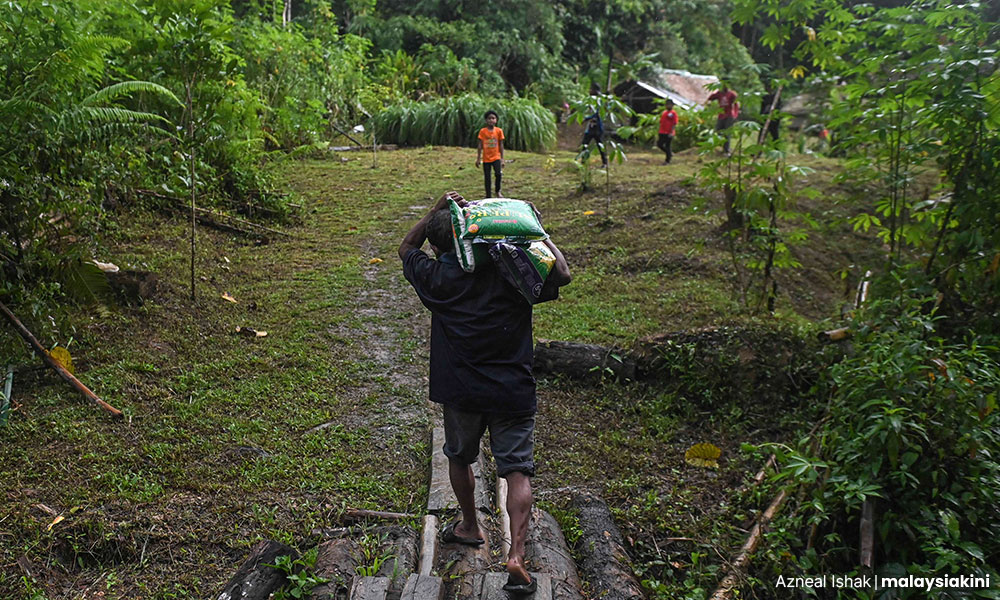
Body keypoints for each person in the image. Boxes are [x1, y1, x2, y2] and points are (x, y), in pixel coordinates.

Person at [399, 191, 571, 596]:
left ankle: (470, 526)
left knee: (459, 457)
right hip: (512, 387)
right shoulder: (513, 270)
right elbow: (562, 272)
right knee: (517, 469)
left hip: (460, 390)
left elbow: (407, 246)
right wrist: (535, 232)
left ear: (442, 246)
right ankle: (517, 555)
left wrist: (436, 210)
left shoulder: (436, 277)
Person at [476, 110, 504, 198]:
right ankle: (488, 195)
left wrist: (502, 158)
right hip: (486, 158)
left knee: (498, 174)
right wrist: (478, 158)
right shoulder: (482, 131)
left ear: (496, 120)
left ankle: (497, 191)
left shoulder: (499, 131)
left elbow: (501, 145)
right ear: (486, 120)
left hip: (496, 157)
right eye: (489, 118)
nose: (491, 120)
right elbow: (480, 145)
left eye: (493, 118)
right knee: (487, 177)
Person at [707, 84, 739, 154]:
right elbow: (710, 98)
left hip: (729, 115)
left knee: (727, 133)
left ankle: (726, 150)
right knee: (718, 131)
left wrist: (736, 114)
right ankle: (719, 147)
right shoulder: (719, 94)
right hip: (721, 115)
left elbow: (736, 103)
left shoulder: (732, 94)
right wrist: (709, 103)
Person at [657, 99, 678, 164]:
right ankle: (669, 153)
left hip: (669, 132)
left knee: (667, 146)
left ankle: (667, 160)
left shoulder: (673, 113)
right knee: (659, 144)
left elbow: (674, 123)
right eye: (667, 104)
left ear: (672, 105)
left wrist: (671, 132)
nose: (668, 106)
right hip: (662, 132)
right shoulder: (664, 112)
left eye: (669, 104)